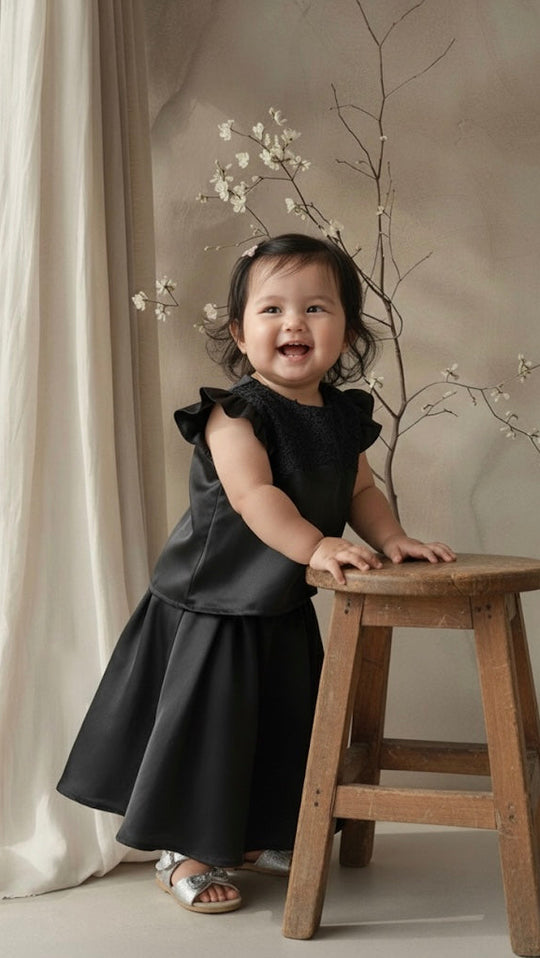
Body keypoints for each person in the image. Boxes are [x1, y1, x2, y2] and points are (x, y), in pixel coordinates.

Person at [57, 233, 455, 915]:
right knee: (210, 731)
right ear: (240, 335)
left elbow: (360, 491)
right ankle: (186, 848)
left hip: (278, 599)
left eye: (316, 309)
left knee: (279, 722)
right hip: (214, 602)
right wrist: (318, 547)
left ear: (348, 332)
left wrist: (391, 538)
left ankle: (261, 833)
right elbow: (254, 498)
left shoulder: (341, 416)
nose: (294, 324)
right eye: (271, 310)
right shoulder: (233, 413)